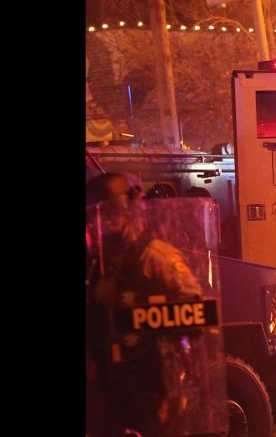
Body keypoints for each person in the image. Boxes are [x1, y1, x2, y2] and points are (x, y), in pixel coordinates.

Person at [86, 173, 208, 436]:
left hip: (154, 398)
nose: (98, 225)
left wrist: (141, 315)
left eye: (105, 214)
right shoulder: (102, 265)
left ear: (122, 213)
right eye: (93, 218)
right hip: (114, 398)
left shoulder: (155, 258)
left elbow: (197, 314)